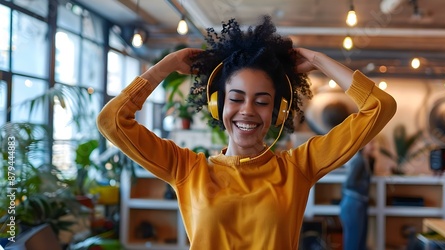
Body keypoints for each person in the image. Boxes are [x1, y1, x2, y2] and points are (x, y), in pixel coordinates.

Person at [97, 16, 397, 249]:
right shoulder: (187, 170)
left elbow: (379, 106)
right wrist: (166, 65)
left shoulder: (298, 168)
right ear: (217, 105)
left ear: (278, 112)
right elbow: (112, 120)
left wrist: (318, 60)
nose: (248, 110)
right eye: (236, 98)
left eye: (262, 101)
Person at [339, 140, 377, 250]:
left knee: (360, 242)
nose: (374, 146)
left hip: (360, 203)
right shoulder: (358, 161)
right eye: (371, 143)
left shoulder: (366, 160)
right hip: (354, 204)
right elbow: (350, 183)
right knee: (353, 243)